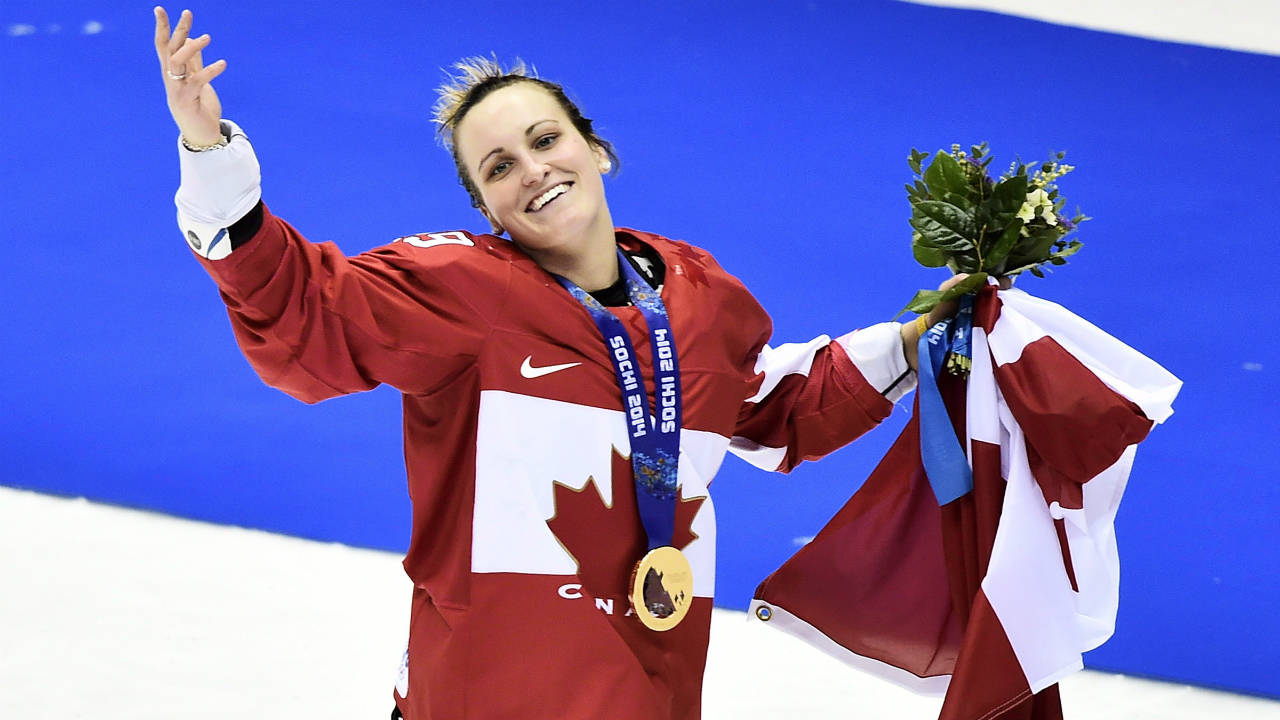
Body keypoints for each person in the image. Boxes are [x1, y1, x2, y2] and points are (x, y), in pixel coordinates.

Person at [152, 7, 968, 719]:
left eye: (546, 140)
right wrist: (207, 152)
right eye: (500, 167)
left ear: (596, 149)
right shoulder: (463, 292)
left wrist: (921, 335)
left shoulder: (702, 295)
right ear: (485, 209)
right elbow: (307, 312)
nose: (535, 170)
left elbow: (767, 409)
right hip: (482, 696)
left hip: (647, 685)